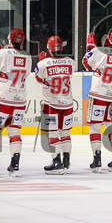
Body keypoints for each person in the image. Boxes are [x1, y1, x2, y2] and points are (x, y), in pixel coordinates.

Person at [0, 28, 32, 177]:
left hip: (3, 98)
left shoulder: (2, 53)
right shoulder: (27, 56)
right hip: (20, 99)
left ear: (9, 39)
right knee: (14, 131)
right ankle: (15, 164)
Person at [81, 28, 112, 173]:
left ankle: (97, 159)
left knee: (95, 126)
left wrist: (91, 47)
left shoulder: (100, 51)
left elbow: (86, 63)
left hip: (99, 93)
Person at [35, 36, 76, 175]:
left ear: (49, 48)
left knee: (52, 133)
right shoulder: (71, 62)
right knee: (65, 133)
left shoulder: (43, 64)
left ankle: (56, 161)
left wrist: (42, 61)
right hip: (68, 103)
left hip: (51, 103)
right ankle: (66, 160)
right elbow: (69, 76)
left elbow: (39, 79)